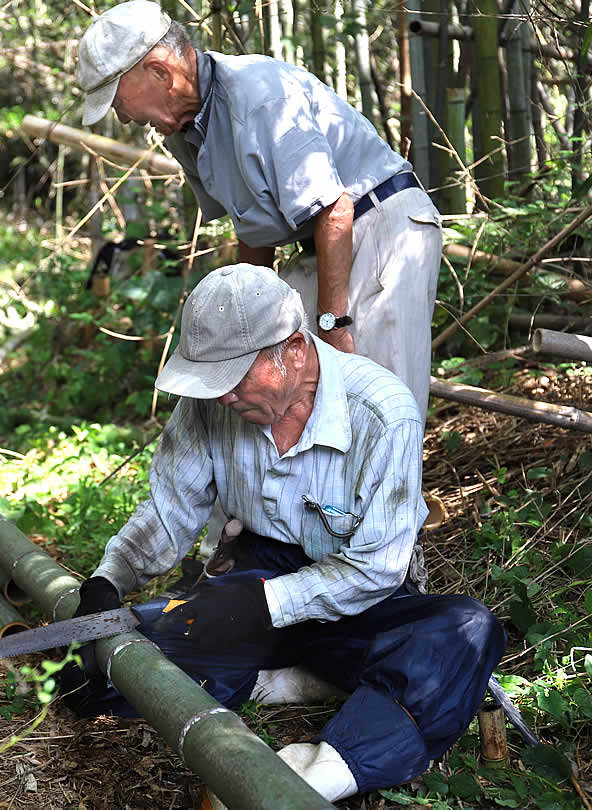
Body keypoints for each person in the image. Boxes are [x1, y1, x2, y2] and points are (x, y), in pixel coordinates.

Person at [58, 265, 504, 802]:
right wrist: (109, 579)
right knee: (106, 678)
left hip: (357, 600)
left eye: (234, 379)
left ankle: (316, 774)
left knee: (465, 633)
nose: (222, 398)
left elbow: (377, 567)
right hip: (253, 579)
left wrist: (269, 602)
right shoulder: (206, 408)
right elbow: (170, 510)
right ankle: (292, 680)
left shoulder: (382, 414)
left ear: (292, 350)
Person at [76, 0, 442, 419]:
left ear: (160, 72)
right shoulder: (184, 131)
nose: (123, 118)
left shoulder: (259, 95)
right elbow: (252, 232)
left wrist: (332, 325)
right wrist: (250, 323)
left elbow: (333, 208)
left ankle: (394, 484)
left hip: (381, 222)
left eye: (118, 100)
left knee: (378, 401)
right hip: (326, 244)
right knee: (277, 380)